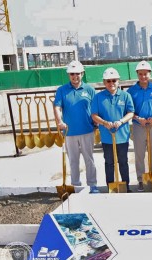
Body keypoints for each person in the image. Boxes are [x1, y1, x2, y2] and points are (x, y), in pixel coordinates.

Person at [53, 60, 99, 194]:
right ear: (68, 75)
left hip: (87, 130)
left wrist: (96, 121)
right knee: (73, 161)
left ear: (82, 74)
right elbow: (57, 107)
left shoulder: (90, 90)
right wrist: (59, 122)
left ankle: (92, 185)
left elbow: (95, 108)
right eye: (72, 74)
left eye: (77, 73)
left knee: (89, 160)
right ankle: (76, 186)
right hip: (69, 132)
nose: (75, 76)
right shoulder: (62, 90)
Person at [91, 68, 134, 192]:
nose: (111, 83)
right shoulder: (98, 97)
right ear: (104, 83)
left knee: (123, 162)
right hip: (106, 136)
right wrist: (104, 123)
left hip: (122, 135)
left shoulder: (126, 96)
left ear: (118, 81)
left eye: (114, 80)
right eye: (108, 81)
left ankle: (126, 186)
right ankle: (111, 186)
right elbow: (94, 115)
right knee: (109, 162)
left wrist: (120, 121)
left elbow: (131, 112)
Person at [128, 60, 152, 192]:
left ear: (150, 74)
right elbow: (129, 110)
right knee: (139, 154)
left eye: (145, 74)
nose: (143, 76)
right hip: (138, 125)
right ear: (137, 74)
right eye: (140, 74)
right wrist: (138, 118)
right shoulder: (131, 91)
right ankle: (141, 180)